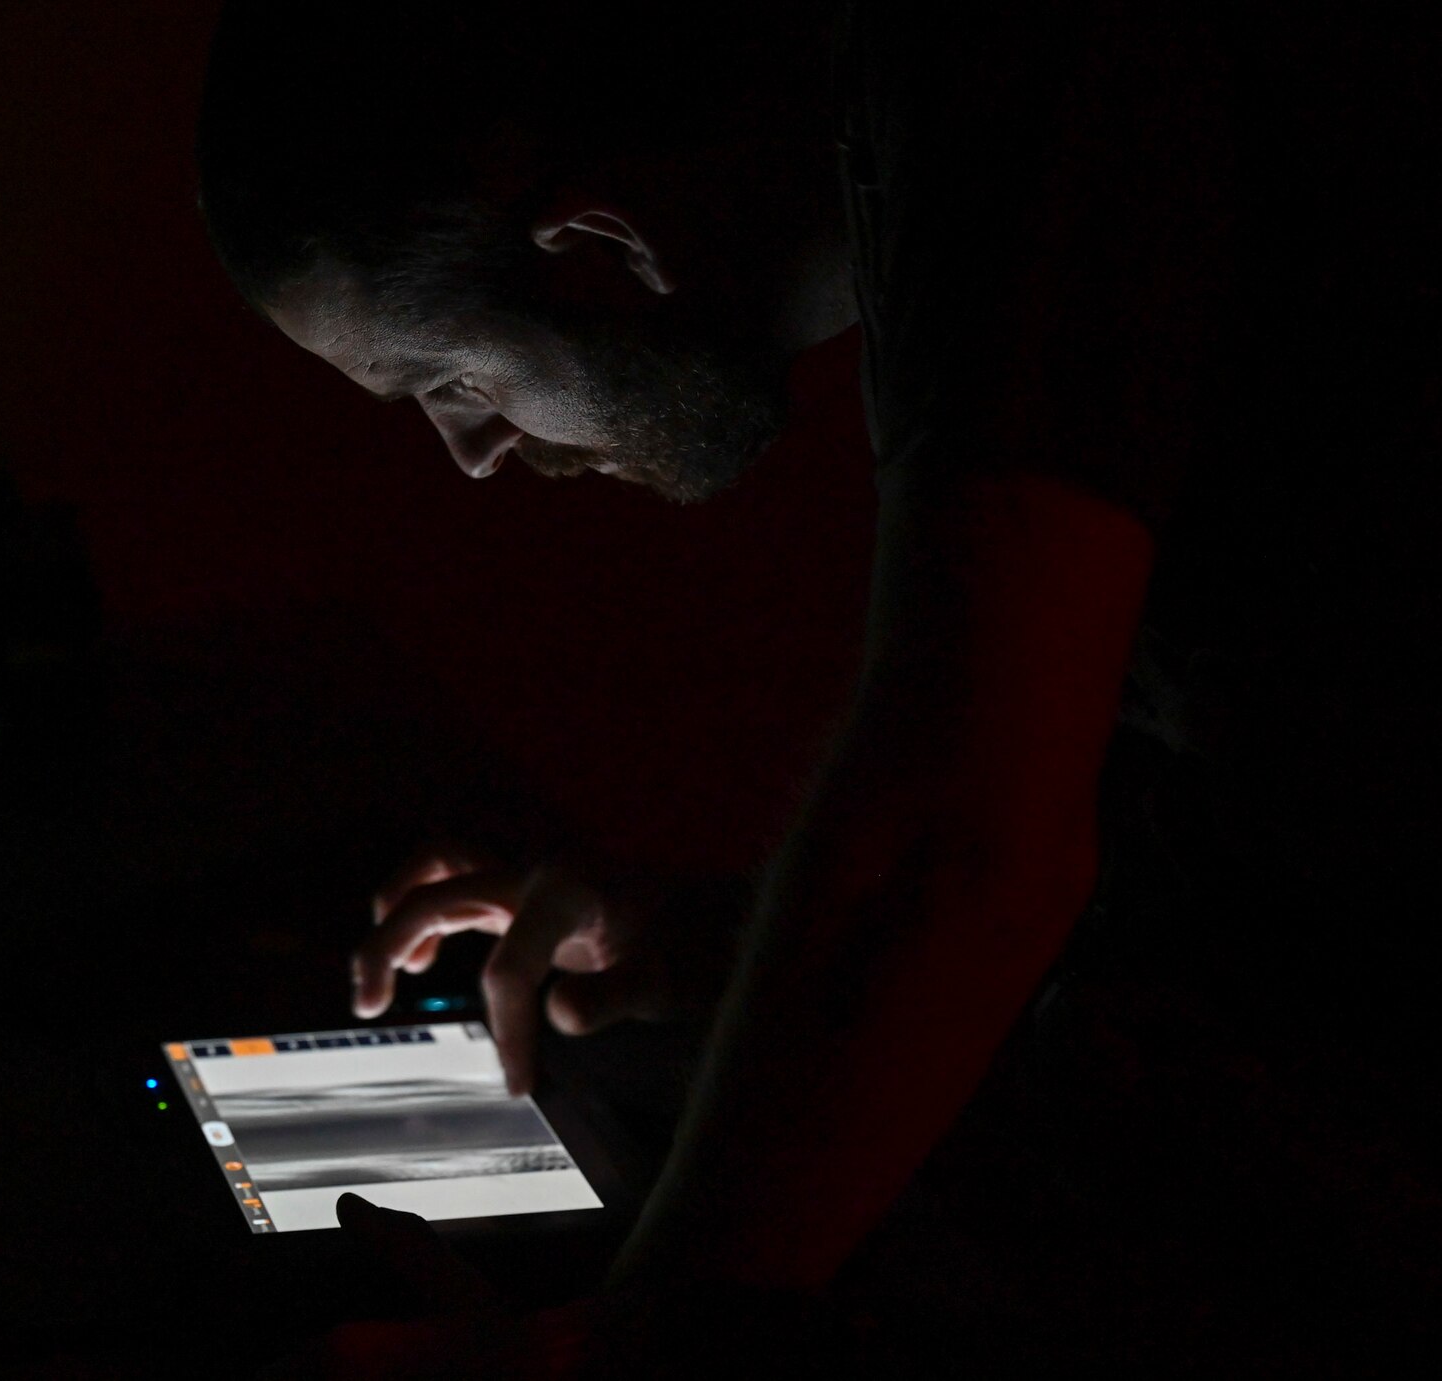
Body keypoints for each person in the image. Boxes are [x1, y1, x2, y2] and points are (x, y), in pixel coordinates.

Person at [196, 1, 1442, 1373]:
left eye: (447, 383)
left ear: (598, 239)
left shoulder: (1022, 67)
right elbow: (1132, 824)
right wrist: (715, 949)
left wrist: (623, 1342)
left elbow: (961, 848)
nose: (475, 456)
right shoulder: (988, 163)